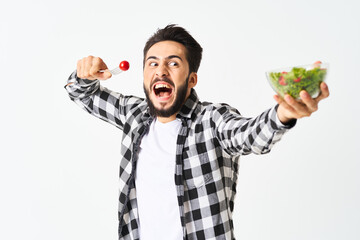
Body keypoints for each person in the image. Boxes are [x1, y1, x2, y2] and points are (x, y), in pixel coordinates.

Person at [65, 24, 329, 240]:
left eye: (173, 64)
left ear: (191, 80)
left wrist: (283, 114)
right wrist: (85, 74)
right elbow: (79, 93)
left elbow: (249, 135)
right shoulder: (134, 115)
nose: (161, 71)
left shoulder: (212, 120)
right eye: (152, 64)